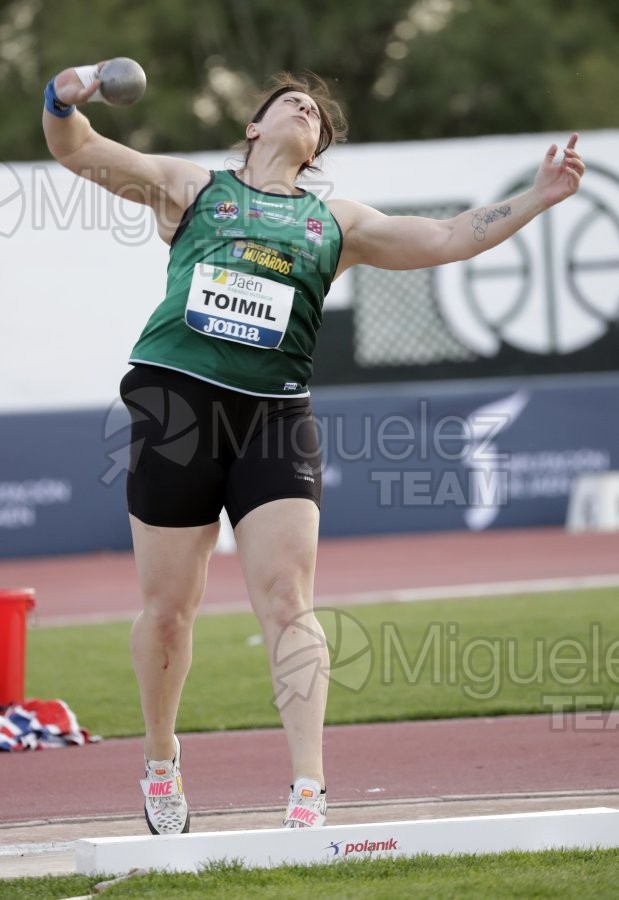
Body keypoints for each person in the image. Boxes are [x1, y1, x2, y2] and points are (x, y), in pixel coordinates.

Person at [42, 64, 585, 835]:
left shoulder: (338, 224)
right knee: (168, 611)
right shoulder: (193, 189)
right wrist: (61, 99)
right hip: (179, 406)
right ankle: (161, 758)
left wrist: (537, 196)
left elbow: (443, 238)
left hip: (274, 417)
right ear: (255, 127)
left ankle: (308, 790)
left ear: (317, 148)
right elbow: (81, 151)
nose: (306, 108)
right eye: (288, 101)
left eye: (318, 115)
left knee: (288, 602)